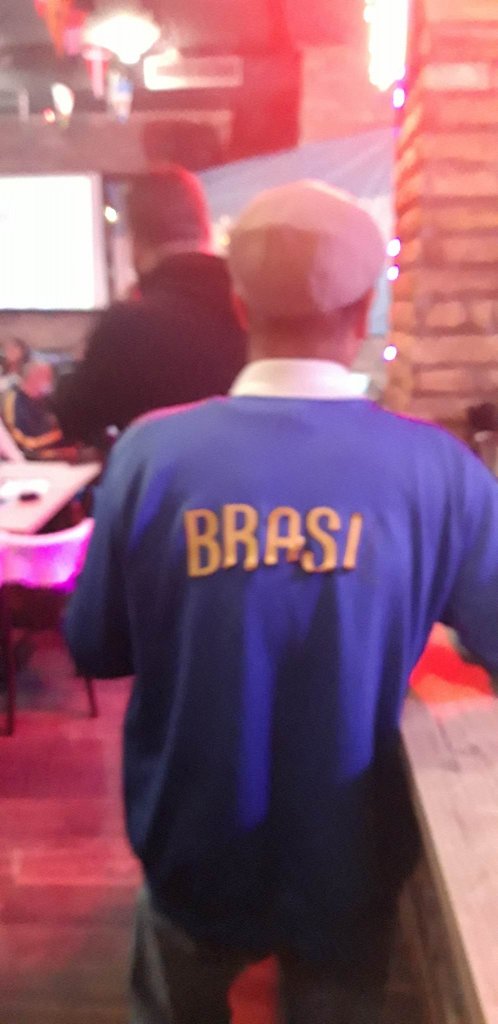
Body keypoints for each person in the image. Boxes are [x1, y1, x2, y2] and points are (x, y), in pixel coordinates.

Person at [64, 181, 498, 1024]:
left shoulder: (153, 453)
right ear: (364, 309)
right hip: (349, 850)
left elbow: (95, 646)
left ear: (238, 304)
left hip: (190, 835)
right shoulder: (438, 469)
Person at [53, 167, 246, 448]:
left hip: (157, 475)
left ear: (137, 243)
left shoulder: (126, 325)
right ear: (205, 229)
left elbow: (75, 418)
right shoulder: (253, 308)